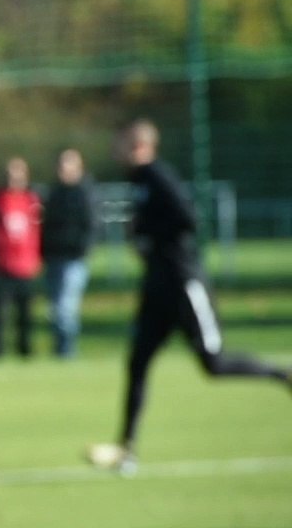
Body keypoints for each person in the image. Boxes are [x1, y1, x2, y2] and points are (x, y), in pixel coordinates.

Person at [87, 118, 291, 476]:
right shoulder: (138, 183)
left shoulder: (158, 176)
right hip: (157, 290)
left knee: (213, 364)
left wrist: (150, 237)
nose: (116, 150)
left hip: (184, 285)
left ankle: (282, 375)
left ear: (139, 145)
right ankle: (127, 450)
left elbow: (188, 218)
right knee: (137, 363)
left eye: (122, 144)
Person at [0, 156, 42, 358]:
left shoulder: (31, 201)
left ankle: (25, 352)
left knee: (25, 315)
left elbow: (36, 233)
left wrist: (35, 258)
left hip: (25, 267)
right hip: (2, 266)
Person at [41, 148, 97, 358]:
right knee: (55, 309)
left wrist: (81, 250)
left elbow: (91, 226)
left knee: (66, 307)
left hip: (74, 259)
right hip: (54, 258)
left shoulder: (85, 193)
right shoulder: (55, 193)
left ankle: (66, 352)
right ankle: (60, 349)